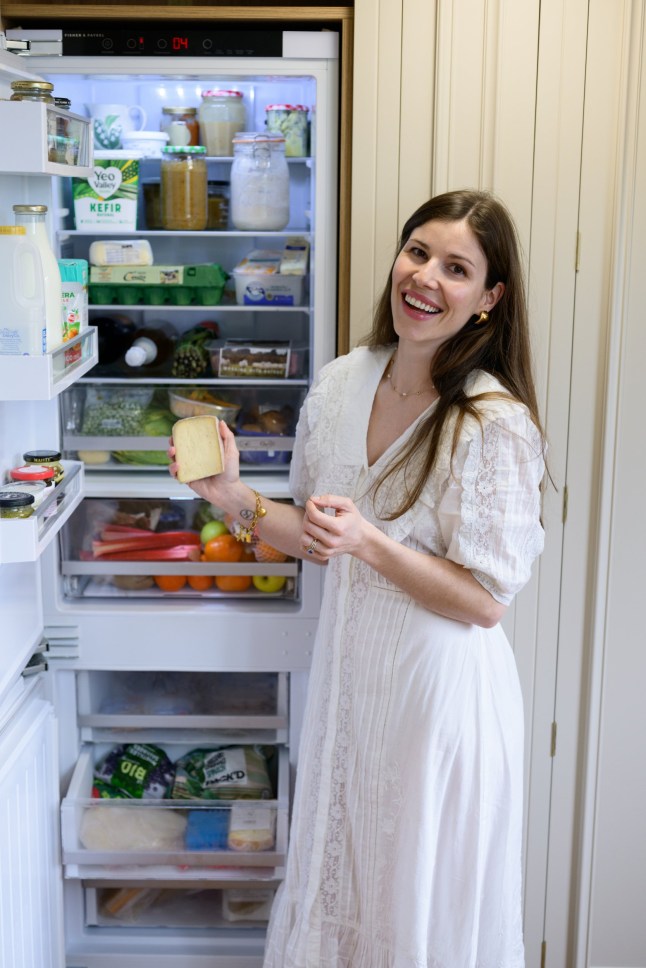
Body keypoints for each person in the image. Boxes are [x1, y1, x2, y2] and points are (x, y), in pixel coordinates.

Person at [169, 188, 546, 968]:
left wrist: (373, 545)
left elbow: (484, 601)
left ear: (489, 298)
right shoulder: (345, 380)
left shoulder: (492, 419)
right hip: (350, 686)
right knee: (345, 888)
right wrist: (233, 498)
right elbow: (314, 534)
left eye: (456, 268)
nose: (427, 279)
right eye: (418, 253)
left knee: (415, 899)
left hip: (436, 703)